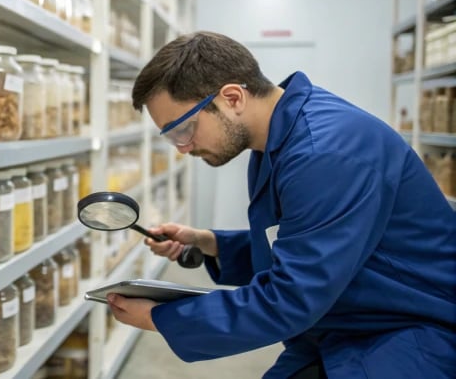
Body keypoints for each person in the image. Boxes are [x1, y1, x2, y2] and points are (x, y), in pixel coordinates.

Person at [106, 31, 456, 378]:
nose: (182, 148)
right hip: (349, 321)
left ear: (232, 98)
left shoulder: (326, 152)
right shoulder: (278, 139)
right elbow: (301, 242)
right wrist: (208, 243)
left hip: (413, 333)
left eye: (182, 130)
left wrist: (159, 318)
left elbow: (290, 297)